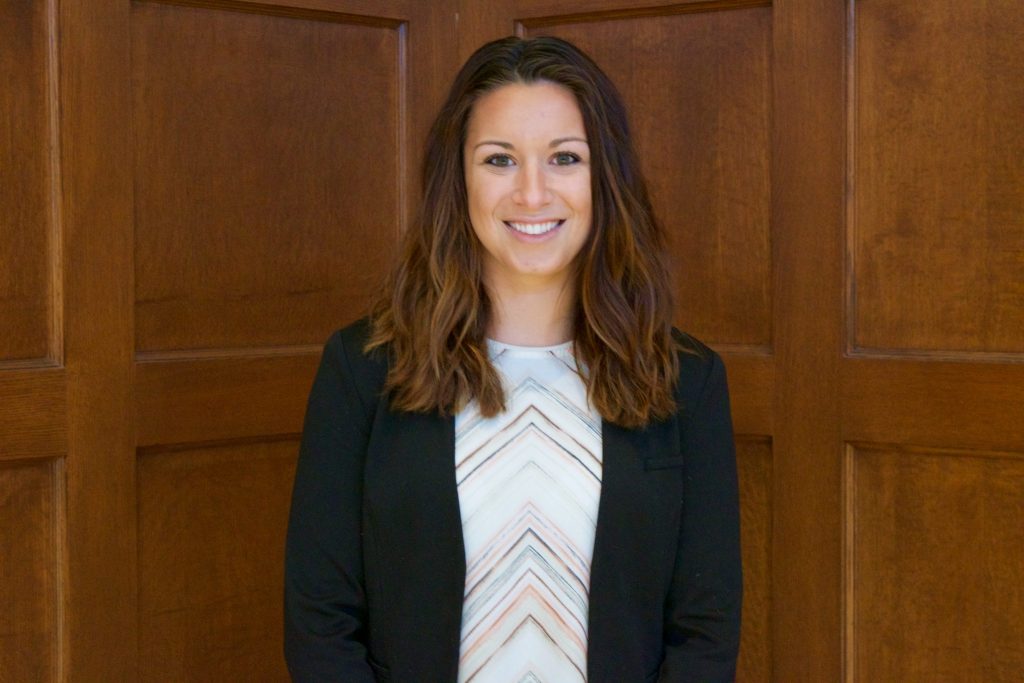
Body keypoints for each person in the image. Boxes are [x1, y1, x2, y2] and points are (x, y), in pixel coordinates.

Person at [284, 36, 741, 683]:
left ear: (604, 175)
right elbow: (320, 626)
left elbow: (705, 632)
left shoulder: (688, 379)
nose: (532, 193)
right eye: (499, 159)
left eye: (563, 158)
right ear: (459, 177)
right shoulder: (362, 368)